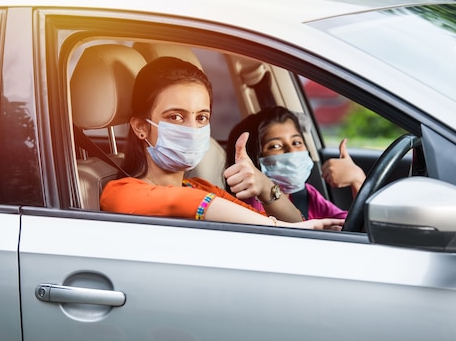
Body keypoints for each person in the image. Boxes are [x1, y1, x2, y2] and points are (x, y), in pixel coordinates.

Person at [100, 57, 344, 230]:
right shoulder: (120, 192)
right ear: (141, 128)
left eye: (201, 117)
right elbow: (182, 203)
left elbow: (293, 225)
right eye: (175, 117)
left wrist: (265, 187)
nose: (192, 129)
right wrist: (281, 226)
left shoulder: (200, 187)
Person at [224, 106, 365, 220]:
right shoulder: (250, 207)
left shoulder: (305, 194)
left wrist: (358, 179)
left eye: (296, 142)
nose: (292, 151)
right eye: (275, 146)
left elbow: (351, 226)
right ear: (254, 157)